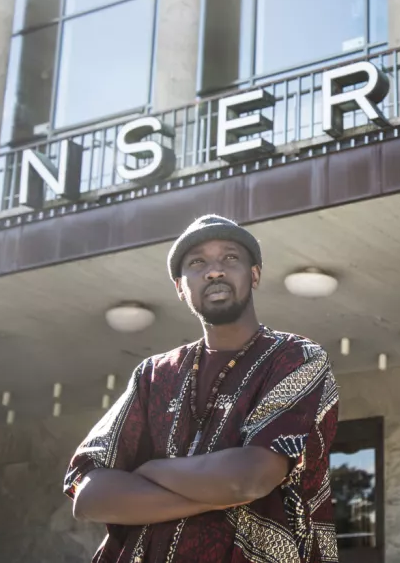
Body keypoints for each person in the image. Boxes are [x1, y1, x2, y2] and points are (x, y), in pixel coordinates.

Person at [64, 215, 339, 563]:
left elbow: (249, 479)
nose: (214, 271)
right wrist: (216, 489)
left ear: (254, 274)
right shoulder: (153, 376)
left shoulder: (296, 358)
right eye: (197, 263)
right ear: (180, 287)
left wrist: (149, 470)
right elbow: (88, 495)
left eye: (230, 258)